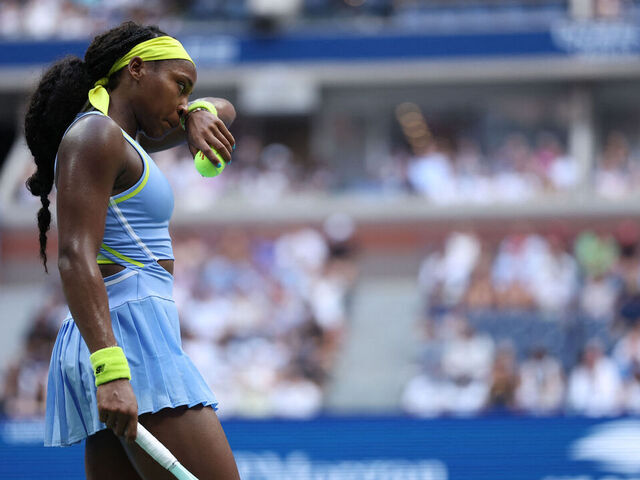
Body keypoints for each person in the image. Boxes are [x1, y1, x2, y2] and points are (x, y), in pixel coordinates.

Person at [24, 21, 240, 479]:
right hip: (126, 335)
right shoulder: (96, 136)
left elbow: (227, 110)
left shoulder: (125, 140)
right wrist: (111, 369)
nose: (183, 100)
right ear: (137, 69)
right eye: (179, 86)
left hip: (122, 333)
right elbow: (74, 256)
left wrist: (197, 110)